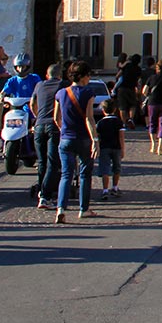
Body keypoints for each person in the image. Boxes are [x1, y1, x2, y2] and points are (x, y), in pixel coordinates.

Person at [53, 61, 98, 222]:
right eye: (88, 75)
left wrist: (63, 131)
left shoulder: (61, 93)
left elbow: (56, 118)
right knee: (85, 174)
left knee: (66, 174)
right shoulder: (88, 93)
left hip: (66, 138)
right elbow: (89, 118)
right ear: (84, 76)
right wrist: (95, 139)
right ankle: (83, 209)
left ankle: (60, 209)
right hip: (83, 138)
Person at [31, 62, 65, 210]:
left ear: (47, 75)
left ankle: (41, 189)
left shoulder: (39, 85)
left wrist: (37, 116)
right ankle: (45, 195)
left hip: (39, 125)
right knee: (53, 161)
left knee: (41, 161)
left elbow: (32, 103)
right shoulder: (63, 85)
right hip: (53, 125)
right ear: (60, 75)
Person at [0, 54, 38, 157]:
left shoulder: (34, 78)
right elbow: (4, 91)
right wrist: (2, 96)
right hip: (16, 107)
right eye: (18, 67)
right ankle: (4, 142)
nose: (20, 69)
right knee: (7, 121)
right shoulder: (12, 80)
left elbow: (40, 89)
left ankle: (33, 144)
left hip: (30, 106)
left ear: (28, 67)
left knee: (33, 123)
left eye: (23, 67)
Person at [95, 99, 125, 198]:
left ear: (103, 110)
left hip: (104, 148)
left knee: (105, 169)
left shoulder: (100, 123)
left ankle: (105, 190)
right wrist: (123, 149)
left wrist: (97, 147)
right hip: (116, 147)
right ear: (115, 109)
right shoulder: (118, 122)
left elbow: (98, 137)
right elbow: (121, 136)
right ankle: (115, 187)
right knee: (117, 168)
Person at [118, 54, 144, 129]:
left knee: (122, 107)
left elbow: (119, 74)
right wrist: (138, 89)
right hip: (132, 88)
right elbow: (139, 80)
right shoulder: (138, 69)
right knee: (133, 105)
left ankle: (123, 123)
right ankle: (131, 118)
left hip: (122, 88)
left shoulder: (127, 65)